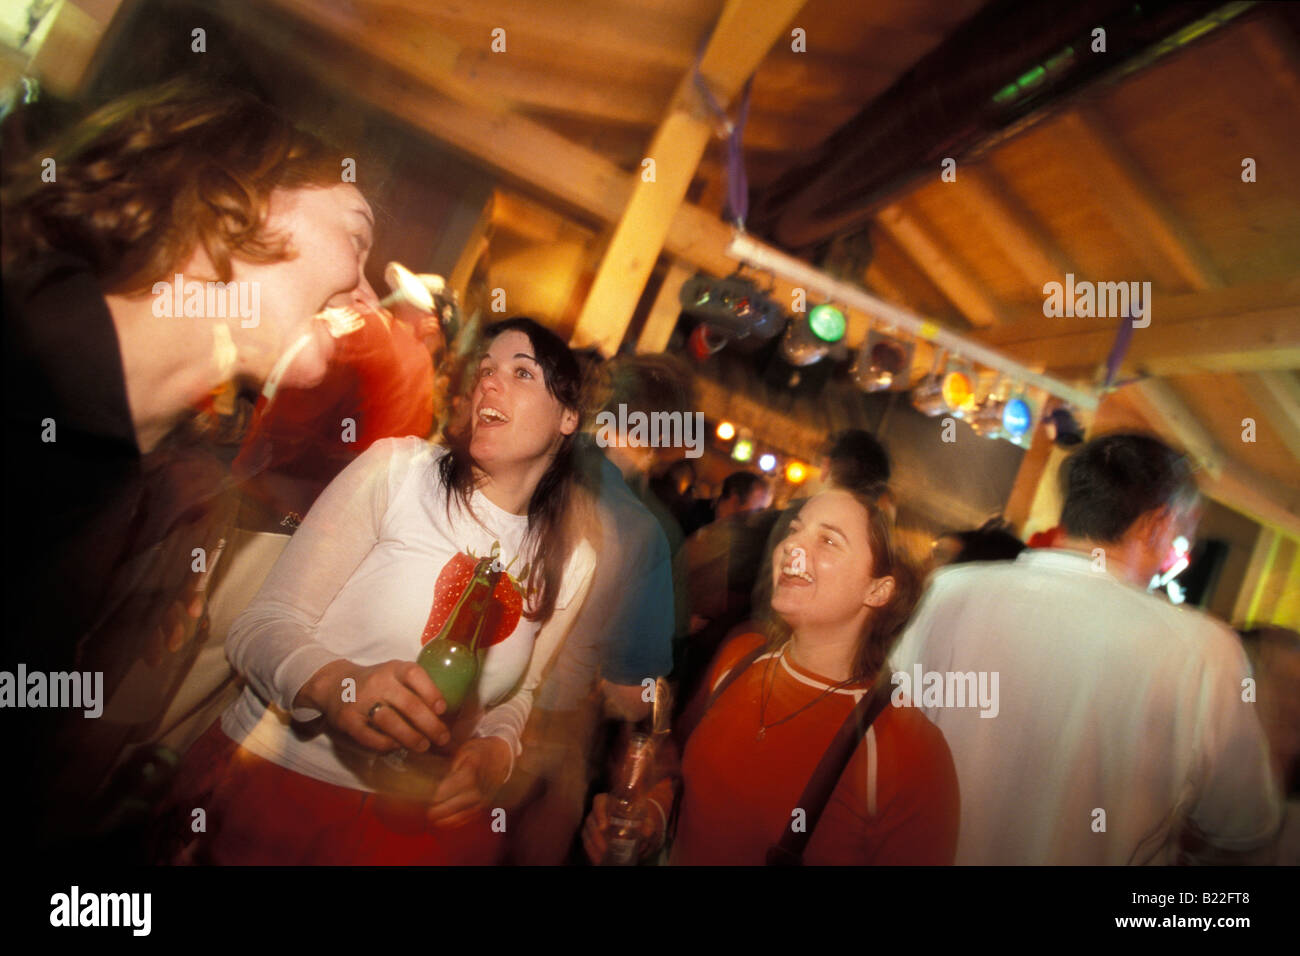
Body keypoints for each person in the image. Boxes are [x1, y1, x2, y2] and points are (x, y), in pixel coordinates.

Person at [1, 80, 380, 854]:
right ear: (234, 203)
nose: (369, 299)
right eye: (359, 237)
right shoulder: (22, 365)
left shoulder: (109, 458)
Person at [154, 318, 597, 865]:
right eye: (486, 370)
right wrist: (340, 686)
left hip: (403, 831)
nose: (490, 383)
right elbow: (260, 627)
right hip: (274, 785)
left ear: (568, 417)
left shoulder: (573, 561)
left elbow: (518, 693)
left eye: (521, 372)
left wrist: (495, 753)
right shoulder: (398, 472)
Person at [891, 432, 1283, 864]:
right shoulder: (1203, 650)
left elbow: (880, 735)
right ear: (1159, 524)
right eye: (1183, 534)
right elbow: (1243, 824)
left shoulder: (949, 590)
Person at [584, 486, 959, 865]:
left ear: (878, 590)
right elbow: (680, 771)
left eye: (828, 540)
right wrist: (653, 816)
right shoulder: (742, 654)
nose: (791, 547)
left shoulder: (909, 749)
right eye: (794, 529)